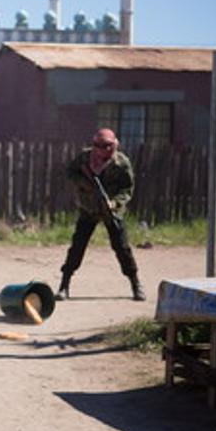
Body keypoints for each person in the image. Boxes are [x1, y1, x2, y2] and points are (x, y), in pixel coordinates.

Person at [56, 128, 145, 301]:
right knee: (77, 247)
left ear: (115, 145)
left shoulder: (121, 163)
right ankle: (64, 285)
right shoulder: (84, 158)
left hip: (111, 212)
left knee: (122, 248)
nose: (103, 149)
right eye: (99, 145)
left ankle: (136, 284)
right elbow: (70, 172)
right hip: (88, 208)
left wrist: (114, 203)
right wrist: (86, 184)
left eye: (107, 145)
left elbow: (127, 189)